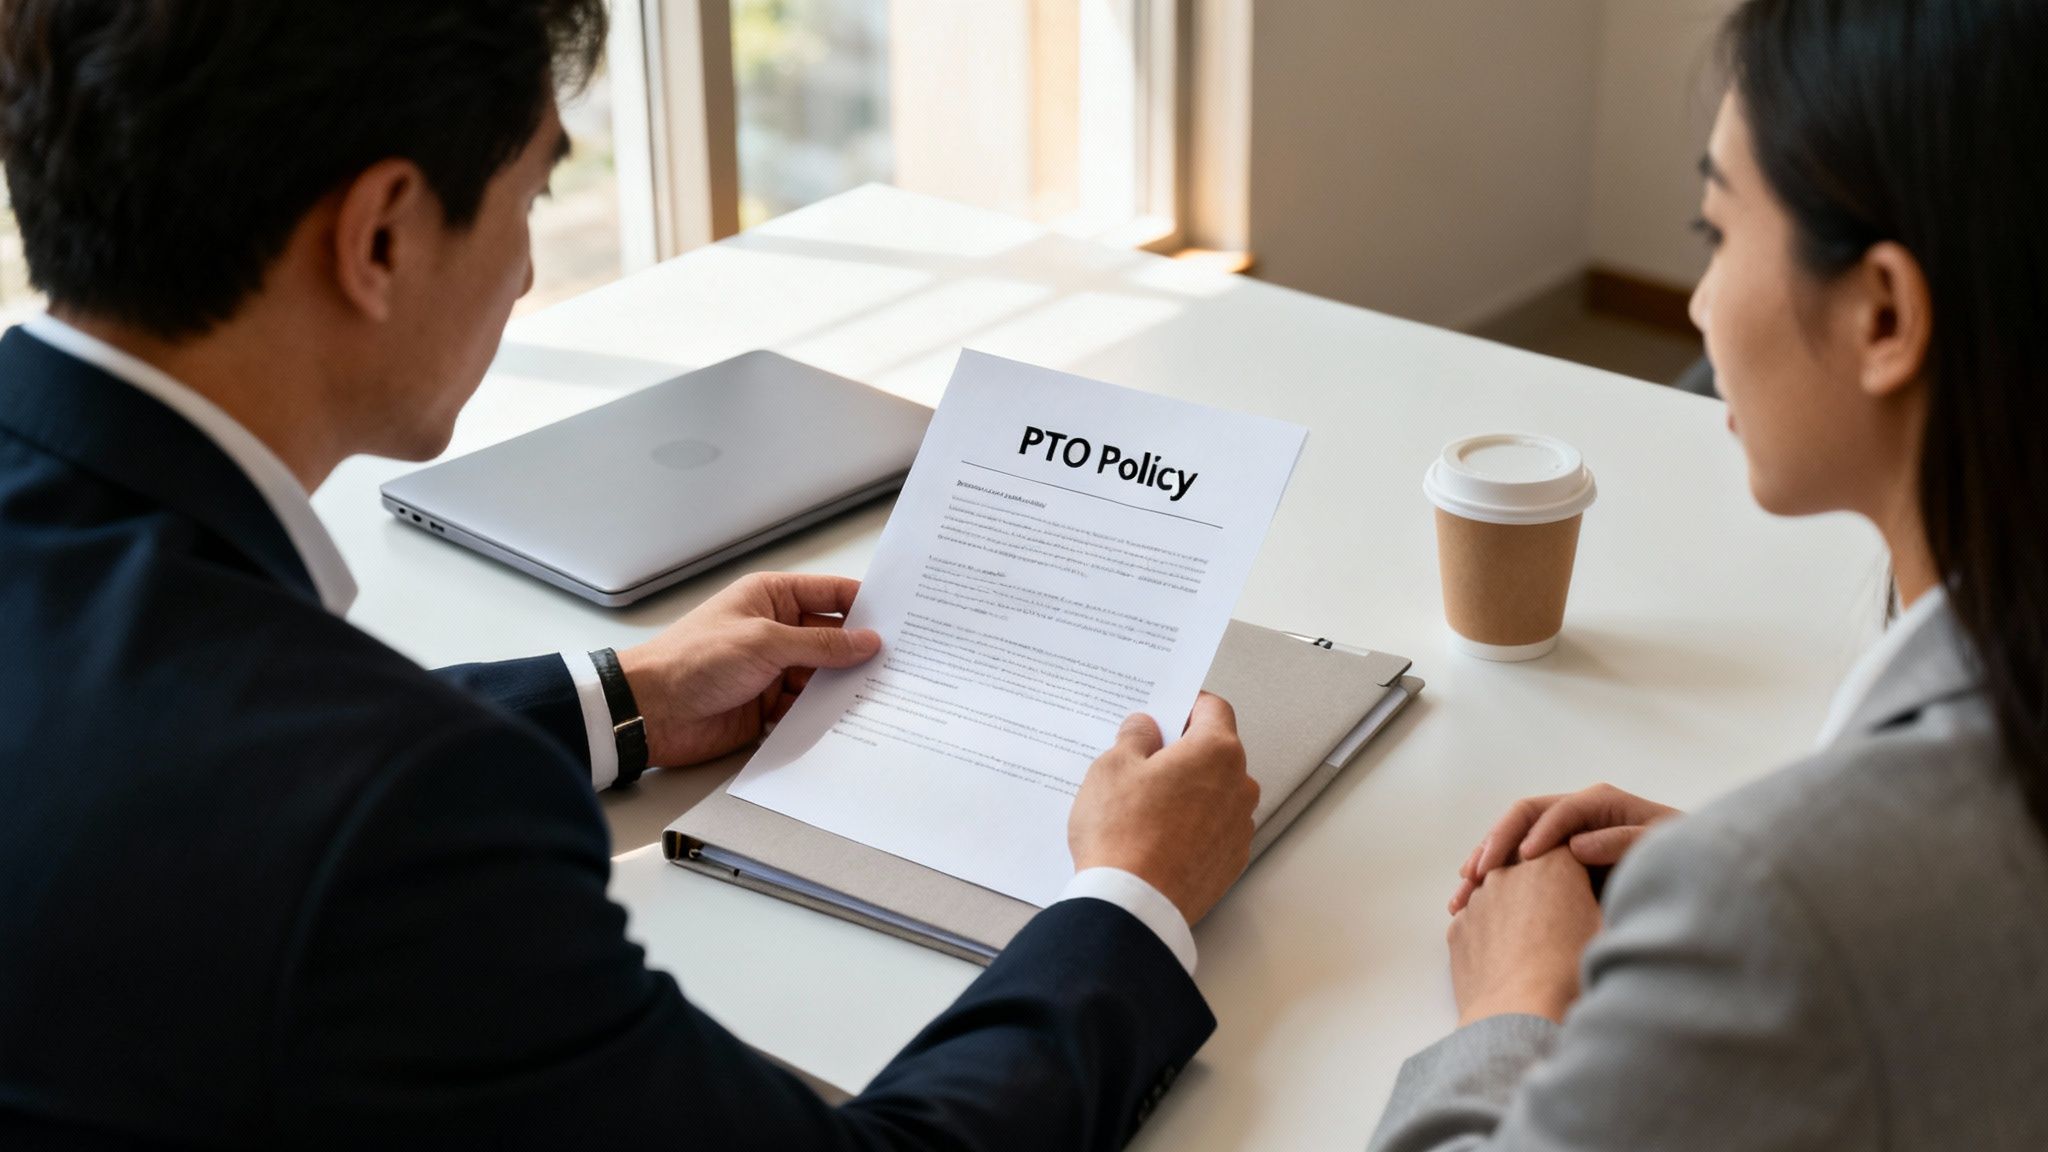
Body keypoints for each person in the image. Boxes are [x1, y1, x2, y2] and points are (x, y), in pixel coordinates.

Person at [0, 1, 1261, 1146]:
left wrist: (625, 697)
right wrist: (1128, 899)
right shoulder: (403, 827)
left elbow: (176, 761)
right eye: (531, 200)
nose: (525, 271)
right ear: (380, 234)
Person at [1369, 0, 2048, 1148]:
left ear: (1883, 313)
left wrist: (1521, 995)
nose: (1694, 306)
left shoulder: (1777, 910)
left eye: (1717, 232)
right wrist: (1754, 885)